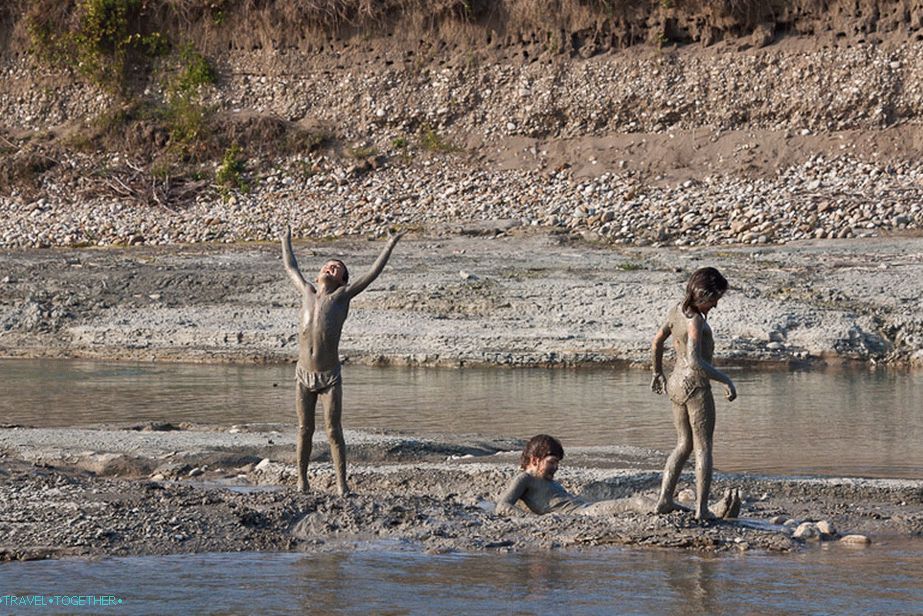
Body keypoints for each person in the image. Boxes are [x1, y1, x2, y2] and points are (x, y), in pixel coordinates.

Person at [281, 226, 404, 495]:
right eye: (327, 266)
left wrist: (390, 243)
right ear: (318, 275)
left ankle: (341, 484)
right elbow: (291, 267)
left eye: (337, 268)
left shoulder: (342, 297)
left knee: (333, 430)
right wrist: (285, 240)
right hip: (303, 374)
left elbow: (372, 274)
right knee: (304, 429)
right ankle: (301, 481)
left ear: (342, 281)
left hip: (329, 377)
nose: (331, 268)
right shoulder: (307, 291)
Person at [650, 267, 737, 520]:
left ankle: (664, 499)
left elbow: (656, 342)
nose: (716, 305)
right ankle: (701, 509)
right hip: (695, 386)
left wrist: (657, 372)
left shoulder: (675, 310)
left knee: (682, 444)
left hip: (675, 384)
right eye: (714, 299)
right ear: (703, 295)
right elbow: (696, 361)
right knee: (703, 447)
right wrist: (726, 380)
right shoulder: (695, 320)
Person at [496, 434, 740, 517]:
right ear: (535, 459)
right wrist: (533, 520)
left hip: (587, 508)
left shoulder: (542, 480)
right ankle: (707, 512)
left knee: (648, 499)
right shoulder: (524, 479)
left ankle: (702, 510)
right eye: (552, 463)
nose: (556, 468)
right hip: (584, 514)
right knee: (637, 502)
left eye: (557, 463)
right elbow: (502, 506)